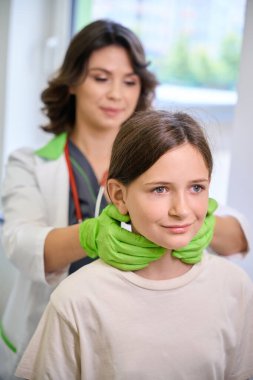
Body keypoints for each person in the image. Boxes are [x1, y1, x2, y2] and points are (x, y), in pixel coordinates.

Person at [0, 19, 249, 379]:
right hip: (64, 324)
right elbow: (20, 243)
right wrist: (91, 236)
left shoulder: (162, 156)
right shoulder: (32, 164)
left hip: (137, 328)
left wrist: (202, 225)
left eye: (130, 81)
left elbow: (238, 234)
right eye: (101, 78)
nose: (117, 94)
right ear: (72, 82)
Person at [15, 110, 253, 379]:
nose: (182, 209)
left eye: (196, 188)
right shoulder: (77, 299)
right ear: (118, 195)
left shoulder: (235, 287)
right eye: (160, 189)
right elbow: (19, 240)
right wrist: (88, 235)